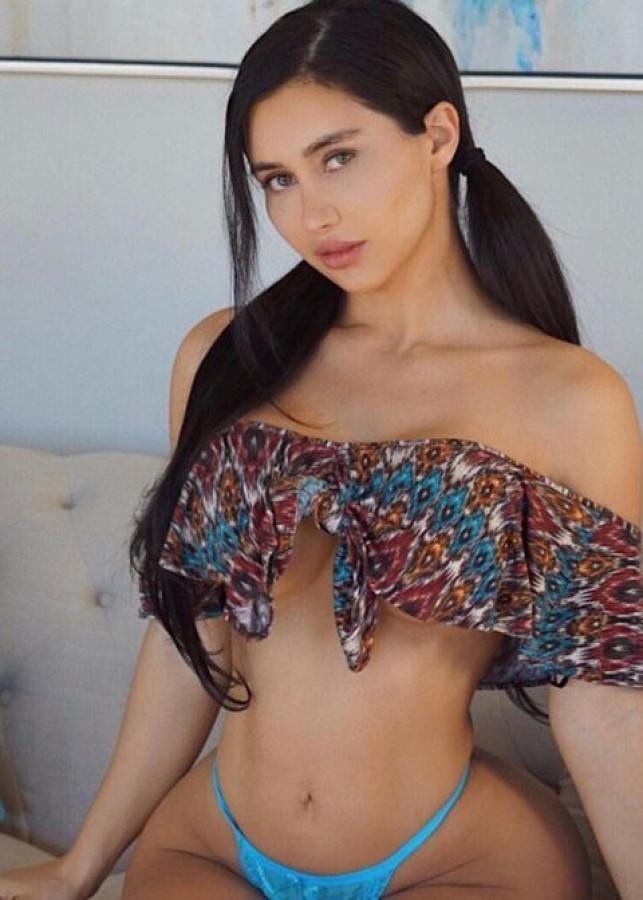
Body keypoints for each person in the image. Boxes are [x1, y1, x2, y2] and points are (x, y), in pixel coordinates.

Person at [1, 1, 641, 897]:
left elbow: (605, 703)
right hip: (213, 845)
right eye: (277, 179)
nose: (313, 213)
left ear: (437, 135)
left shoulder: (569, 399)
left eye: (338, 157)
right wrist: (79, 868)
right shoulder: (227, 360)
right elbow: (193, 638)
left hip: (457, 859)